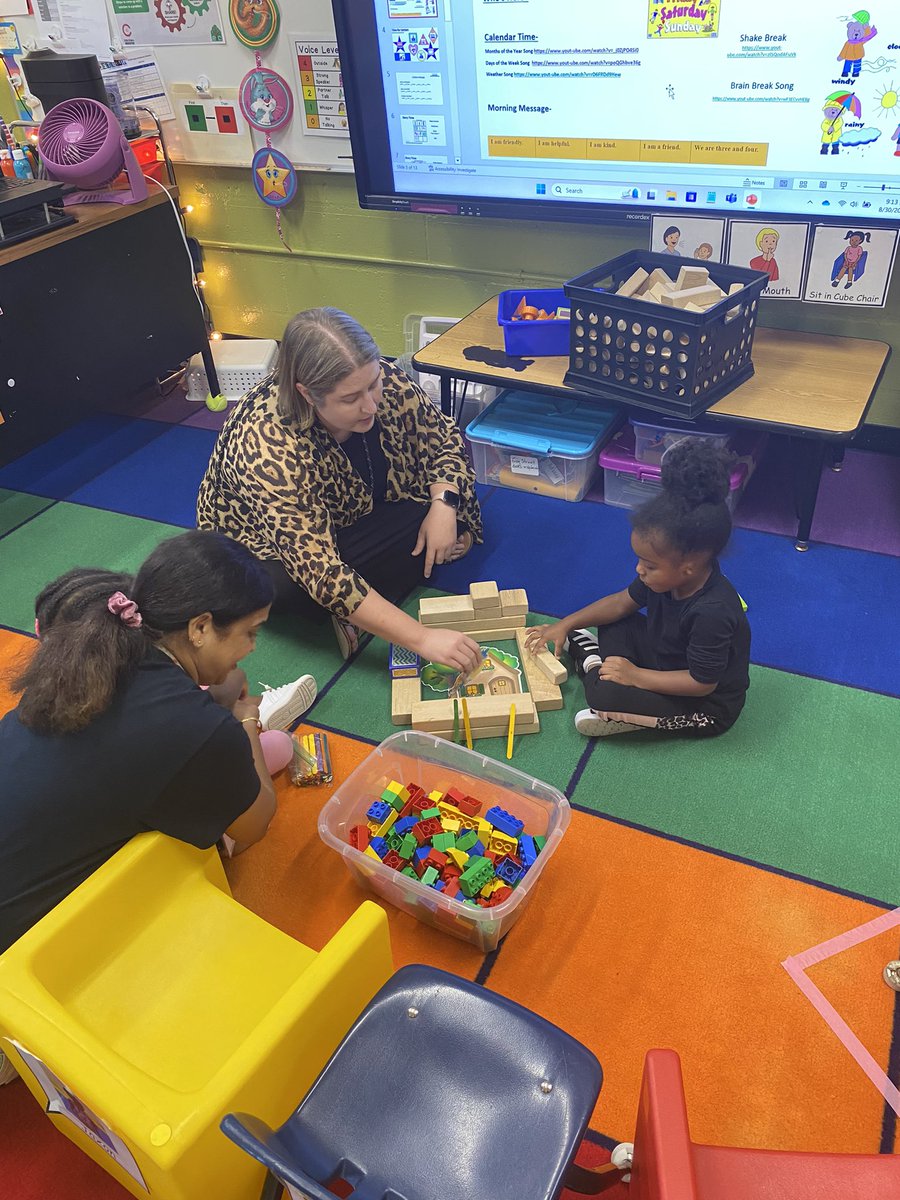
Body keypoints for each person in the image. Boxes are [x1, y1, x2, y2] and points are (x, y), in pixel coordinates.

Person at [0, 530, 318, 962]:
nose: (252, 648)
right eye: (250, 633)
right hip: (25, 937)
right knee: (213, 828)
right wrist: (244, 718)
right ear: (201, 627)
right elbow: (256, 822)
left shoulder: (101, 647)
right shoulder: (199, 728)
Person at [197, 307, 483, 675]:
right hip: (273, 549)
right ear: (307, 394)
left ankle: (359, 605)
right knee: (279, 589)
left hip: (358, 516)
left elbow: (444, 438)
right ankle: (357, 603)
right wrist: (421, 638)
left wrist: (444, 504)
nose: (371, 404)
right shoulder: (268, 443)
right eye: (350, 399)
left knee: (442, 506)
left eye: (374, 383)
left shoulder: (382, 379)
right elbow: (318, 569)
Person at [525, 441, 750, 738]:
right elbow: (620, 603)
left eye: (649, 564)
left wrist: (635, 677)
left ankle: (594, 667)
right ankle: (602, 668)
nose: (639, 570)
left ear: (689, 567)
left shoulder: (712, 613)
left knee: (603, 696)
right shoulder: (665, 578)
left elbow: (702, 683)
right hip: (667, 657)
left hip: (705, 706)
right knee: (614, 621)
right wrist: (566, 625)